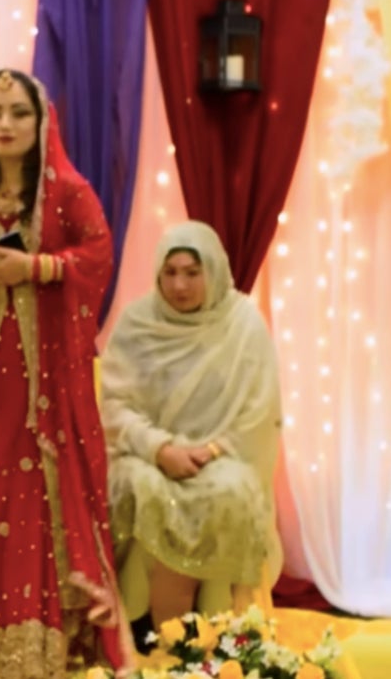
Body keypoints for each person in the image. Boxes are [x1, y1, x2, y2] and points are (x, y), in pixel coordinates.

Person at [0, 69, 132, 678]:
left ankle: (43, 633)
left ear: (41, 121)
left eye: (18, 113)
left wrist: (40, 267)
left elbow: (97, 257)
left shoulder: (70, 192)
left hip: (47, 375)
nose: (5, 125)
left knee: (36, 493)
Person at [99, 220, 282, 646]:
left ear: (213, 271)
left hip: (220, 456)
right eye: (171, 272)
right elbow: (115, 407)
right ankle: (136, 615)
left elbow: (259, 413)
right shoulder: (137, 323)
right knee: (134, 484)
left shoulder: (242, 325)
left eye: (192, 273)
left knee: (231, 490)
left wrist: (208, 451)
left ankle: (213, 622)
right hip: (147, 454)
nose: (180, 285)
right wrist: (160, 449)